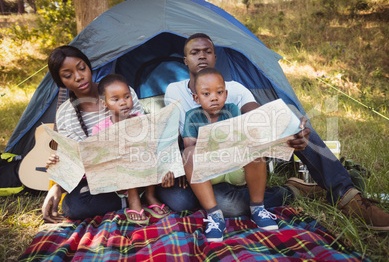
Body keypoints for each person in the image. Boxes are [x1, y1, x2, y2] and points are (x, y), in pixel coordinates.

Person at [164, 33, 389, 231]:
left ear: (215, 57)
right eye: (195, 52)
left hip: (240, 162)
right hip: (204, 169)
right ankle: (292, 191)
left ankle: (347, 195)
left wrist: (289, 131)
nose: (202, 55)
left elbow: (261, 118)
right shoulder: (174, 91)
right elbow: (174, 137)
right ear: (185, 60)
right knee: (191, 202)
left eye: (207, 51)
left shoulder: (234, 89)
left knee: (297, 126)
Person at [42, 45, 146, 222]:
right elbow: (73, 158)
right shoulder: (66, 114)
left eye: (82, 68)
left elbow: (143, 131)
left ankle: (138, 193)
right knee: (73, 207)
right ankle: (132, 198)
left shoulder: (119, 92)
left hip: (137, 166)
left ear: (89, 66)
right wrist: (57, 187)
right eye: (68, 75)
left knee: (181, 199)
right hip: (102, 179)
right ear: (61, 82)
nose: (79, 77)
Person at [182, 68, 279, 242]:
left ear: (226, 94)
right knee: (188, 154)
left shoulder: (232, 109)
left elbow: (239, 139)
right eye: (206, 93)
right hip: (209, 173)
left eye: (219, 92)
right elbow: (190, 146)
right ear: (196, 98)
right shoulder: (192, 116)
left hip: (234, 167)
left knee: (254, 147)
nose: (214, 97)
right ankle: (214, 215)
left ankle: (258, 207)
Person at [91, 74, 170, 224]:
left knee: (147, 144)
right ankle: (133, 198)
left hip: (146, 176)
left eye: (126, 97)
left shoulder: (140, 119)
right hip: (121, 180)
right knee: (125, 148)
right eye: (115, 99)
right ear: (104, 103)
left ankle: (150, 194)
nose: (123, 102)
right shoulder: (100, 129)